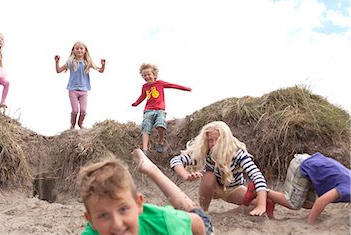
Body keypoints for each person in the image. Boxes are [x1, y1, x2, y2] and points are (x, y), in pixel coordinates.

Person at [78, 149, 213, 235]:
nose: (117, 224)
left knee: (192, 209)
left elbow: (196, 222)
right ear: (91, 221)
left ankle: (152, 169)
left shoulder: (164, 223)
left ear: (138, 204)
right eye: (103, 216)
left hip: (196, 225)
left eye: (123, 209)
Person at [170, 120, 274, 218]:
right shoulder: (205, 152)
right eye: (211, 140)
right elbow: (175, 161)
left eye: (218, 140)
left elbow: (257, 176)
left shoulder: (237, 154)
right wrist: (185, 175)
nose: (214, 143)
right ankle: (203, 211)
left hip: (234, 189)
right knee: (209, 176)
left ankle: (221, 216)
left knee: (263, 202)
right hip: (213, 187)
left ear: (225, 139)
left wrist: (261, 204)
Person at [266, 152, 351, 225]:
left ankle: (272, 199)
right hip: (302, 166)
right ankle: (261, 190)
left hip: (311, 167)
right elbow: (321, 201)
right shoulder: (347, 189)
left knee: (310, 204)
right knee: (293, 203)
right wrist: (311, 224)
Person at [131, 63, 191, 154]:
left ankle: (161, 140)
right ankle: (145, 149)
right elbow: (143, 96)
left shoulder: (160, 83)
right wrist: (136, 103)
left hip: (159, 109)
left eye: (148, 74)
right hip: (148, 110)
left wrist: (185, 88)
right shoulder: (144, 87)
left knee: (160, 124)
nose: (147, 77)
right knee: (146, 127)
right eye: (144, 75)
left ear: (154, 75)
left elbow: (172, 85)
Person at [55, 41, 106, 129]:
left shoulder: (87, 62)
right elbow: (59, 70)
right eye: (77, 49)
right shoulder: (70, 62)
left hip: (84, 90)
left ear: (85, 50)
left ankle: (80, 123)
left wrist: (103, 65)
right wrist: (57, 62)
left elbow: (100, 70)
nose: (79, 50)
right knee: (75, 111)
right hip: (73, 90)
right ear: (73, 51)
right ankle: (72, 125)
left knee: (83, 111)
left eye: (81, 48)